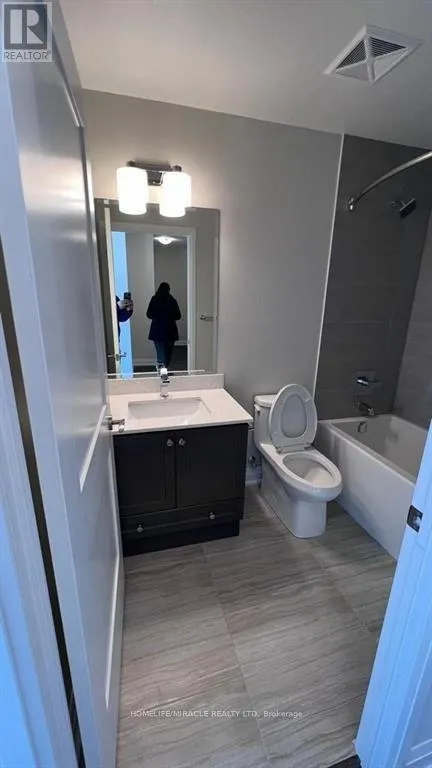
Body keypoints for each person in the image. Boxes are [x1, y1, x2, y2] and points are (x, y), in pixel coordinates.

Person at [146, 282, 181, 368]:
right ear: (169, 290)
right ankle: (166, 368)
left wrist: (157, 317)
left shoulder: (154, 299)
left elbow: (148, 314)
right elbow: (178, 316)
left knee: (160, 353)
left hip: (157, 330)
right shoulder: (172, 300)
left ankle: (161, 371)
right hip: (170, 330)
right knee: (168, 353)